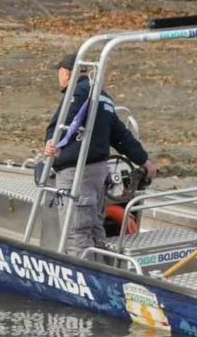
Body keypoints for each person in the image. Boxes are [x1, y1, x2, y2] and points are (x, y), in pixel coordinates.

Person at [44, 53, 157, 256]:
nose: (58, 77)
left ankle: (84, 282)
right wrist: (144, 160)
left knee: (76, 234)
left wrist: (52, 143)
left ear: (67, 73)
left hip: (76, 173)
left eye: (59, 72)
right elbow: (121, 135)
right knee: (95, 229)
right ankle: (102, 272)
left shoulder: (77, 94)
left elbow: (64, 124)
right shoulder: (103, 96)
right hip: (99, 173)